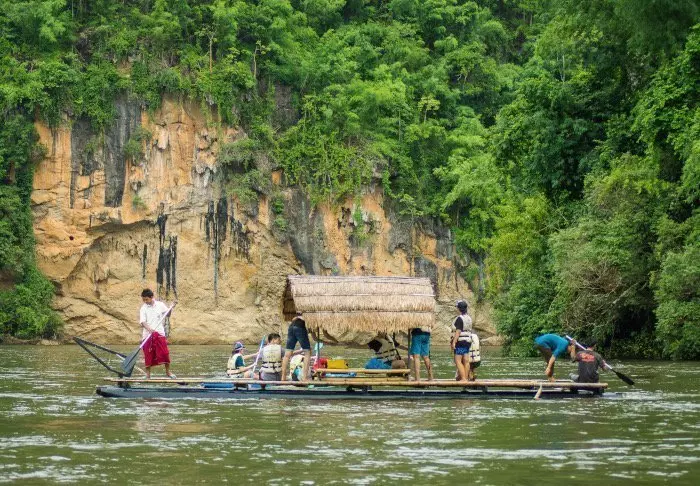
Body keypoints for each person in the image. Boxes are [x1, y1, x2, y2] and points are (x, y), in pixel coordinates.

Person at [139, 288, 175, 379]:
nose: (145, 301)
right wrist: (149, 329)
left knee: (165, 353)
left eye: (146, 299)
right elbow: (143, 322)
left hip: (159, 333)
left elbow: (168, 314)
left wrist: (170, 308)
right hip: (147, 335)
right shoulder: (143, 308)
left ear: (151, 297)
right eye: (143, 300)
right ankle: (148, 375)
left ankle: (168, 372)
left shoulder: (160, 305)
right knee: (148, 355)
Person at [281, 312, 312, 382]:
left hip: (291, 327)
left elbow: (293, 319)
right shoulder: (308, 314)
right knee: (307, 352)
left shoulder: (295, 317)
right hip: (300, 327)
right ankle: (304, 377)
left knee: (287, 354)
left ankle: (283, 377)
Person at [451, 300, 473, 381]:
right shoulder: (469, 318)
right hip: (468, 341)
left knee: (458, 361)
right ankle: (466, 378)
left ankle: (463, 378)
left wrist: (454, 342)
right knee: (466, 361)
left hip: (460, 341)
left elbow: (458, 331)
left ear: (459, 309)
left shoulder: (460, 318)